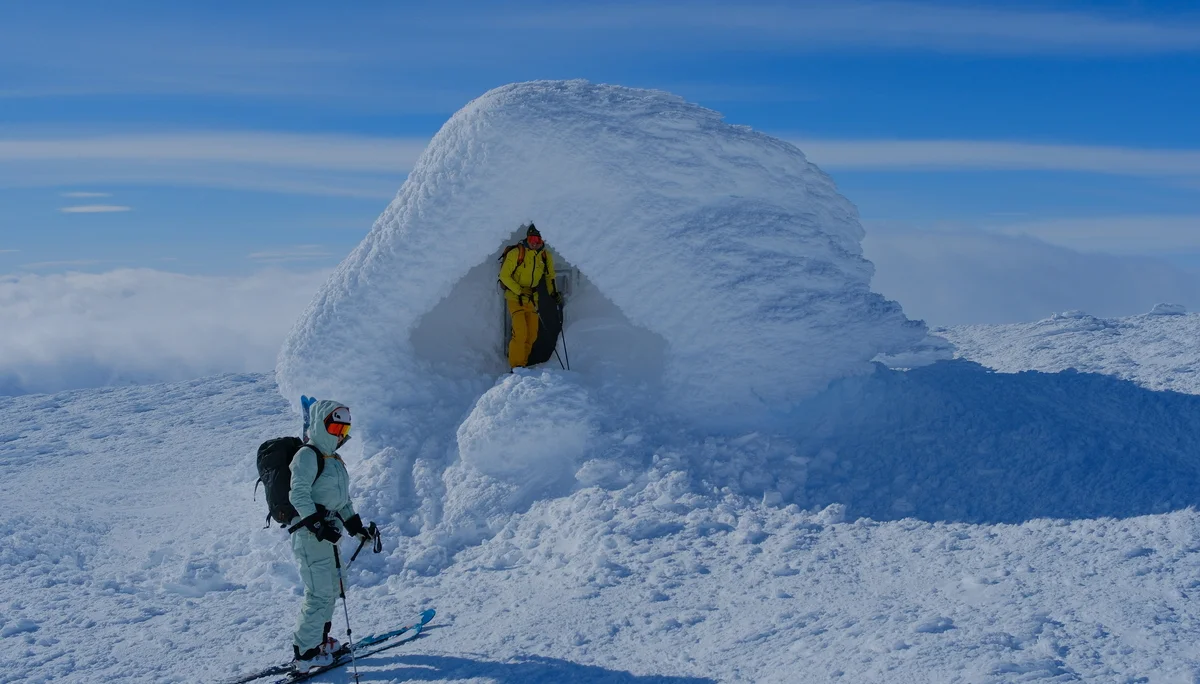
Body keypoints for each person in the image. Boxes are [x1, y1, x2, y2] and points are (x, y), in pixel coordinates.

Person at [287, 399, 376, 673]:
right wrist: (317, 527)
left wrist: (356, 528)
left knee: (334, 589)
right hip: (311, 535)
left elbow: (342, 502)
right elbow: (298, 494)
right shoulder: (307, 455)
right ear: (320, 425)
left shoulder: (334, 460)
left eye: (345, 429)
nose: (340, 433)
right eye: (336, 425)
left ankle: (320, 642)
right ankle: (305, 653)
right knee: (319, 593)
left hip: (329, 535)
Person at [498, 223, 561, 369]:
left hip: (533, 299)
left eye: (538, 240)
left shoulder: (545, 256)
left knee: (531, 335)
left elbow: (550, 276)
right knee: (520, 333)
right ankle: (516, 367)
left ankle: (523, 365)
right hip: (515, 298)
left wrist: (553, 293)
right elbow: (504, 276)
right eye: (532, 239)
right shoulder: (516, 253)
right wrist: (520, 290)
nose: (534, 243)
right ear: (527, 237)